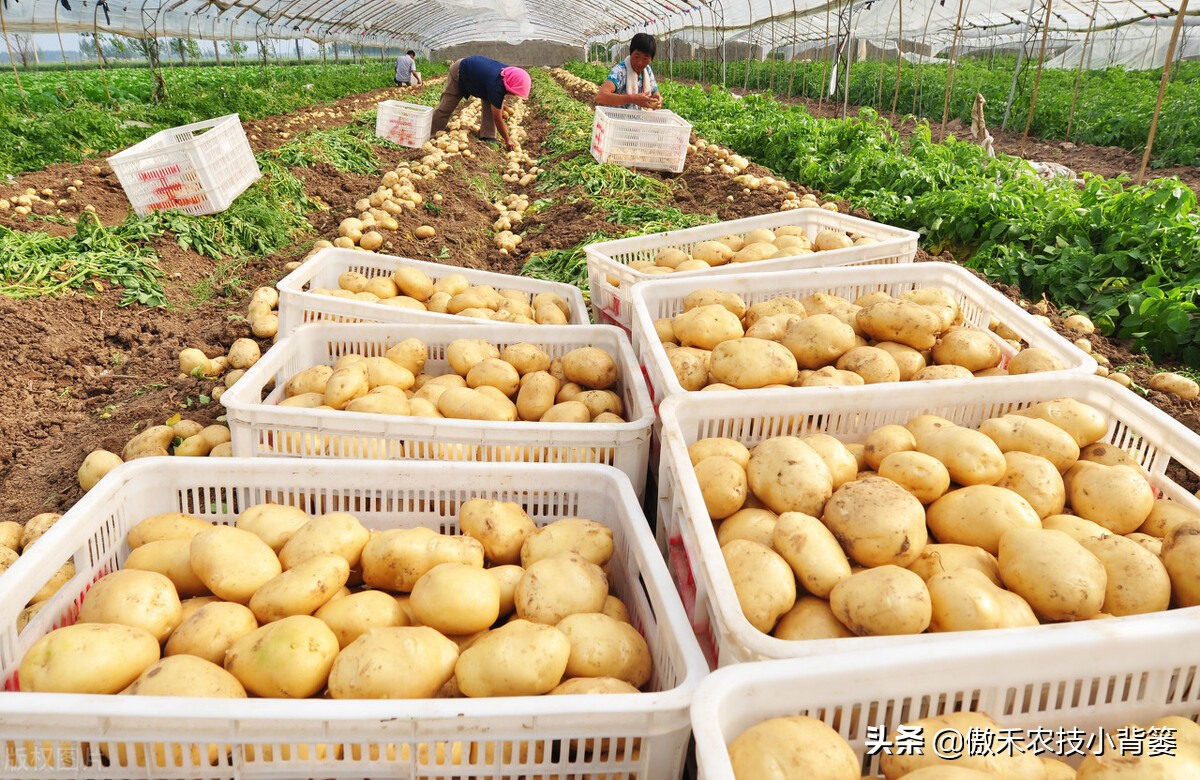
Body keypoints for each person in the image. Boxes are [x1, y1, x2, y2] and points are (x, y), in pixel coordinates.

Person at [430, 56, 530, 152]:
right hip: (460, 71)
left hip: (475, 75)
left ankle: (488, 135)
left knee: (491, 102)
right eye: (514, 92)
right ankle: (431, 132)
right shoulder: (496, 85)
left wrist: (500, 106)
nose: (513, 95)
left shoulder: (507, 74)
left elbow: (495, 102)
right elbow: (497, 119)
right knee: (447, 105)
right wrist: (507, 140)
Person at [595, 33, 662, 111]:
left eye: (645, 58)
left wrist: (657, 97)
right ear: (631, 53)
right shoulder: (620, 71)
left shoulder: (647, 70)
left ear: (651, 59)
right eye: (637, 56)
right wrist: (632, 99)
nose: (640, 62)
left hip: (638, 120)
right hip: (619, 119)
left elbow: (655, 92)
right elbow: (600, 97)